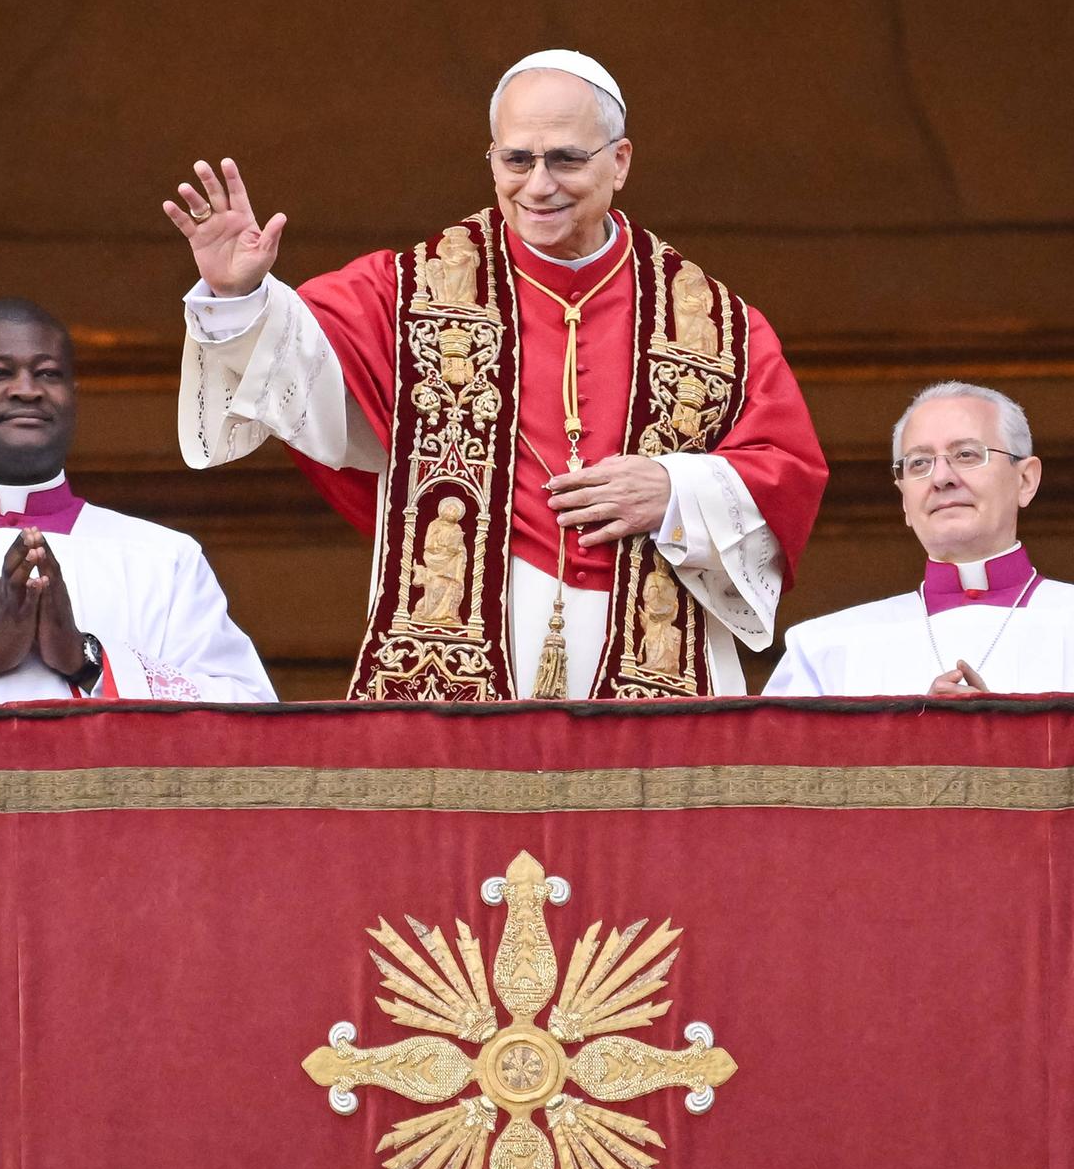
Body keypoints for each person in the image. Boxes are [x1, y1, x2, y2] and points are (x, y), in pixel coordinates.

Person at [166, 49, 827, 701]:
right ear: (492, 159)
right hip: (458, 662)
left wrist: (677, 492)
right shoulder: (411, 292)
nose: (538, 185)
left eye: (565, 158)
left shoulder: (715, 324)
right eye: (517, 160)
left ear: (619, 162)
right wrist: (241, 296)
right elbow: (304, 377)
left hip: (656, 668)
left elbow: (788, 471)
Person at [0, 298, 276, 707]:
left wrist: (87, 658)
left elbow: (248, 712)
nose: (27, 389)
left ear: (73, 398)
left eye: (47, 373)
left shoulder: (164, 558)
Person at [763, 381, 1074, 697]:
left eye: (966, 454)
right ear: (904, 500)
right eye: (919, 463)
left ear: (1025, 480)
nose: (941, 478)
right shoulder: (824, 649)